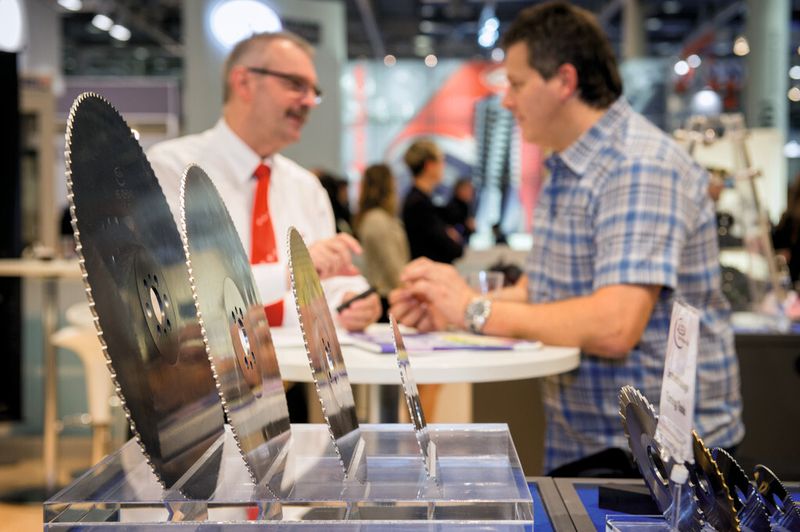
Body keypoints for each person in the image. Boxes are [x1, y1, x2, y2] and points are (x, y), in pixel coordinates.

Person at [390, 1, 743, 475]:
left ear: (564, 81)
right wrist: (450, 306)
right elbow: (548, 288)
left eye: (516, 84)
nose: (507, 100)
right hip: (590, 444)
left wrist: (473, 311)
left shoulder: (638, 164)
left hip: (661, 463)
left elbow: (616, 325)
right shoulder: (568, 165)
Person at [147, 31, 381, 334]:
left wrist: (353, 300)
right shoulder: (171, 169)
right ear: (244, 83)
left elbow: (329, 283)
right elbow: (173, 290)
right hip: (204, 374)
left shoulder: (306, 188)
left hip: (299, 375)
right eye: (295, 84)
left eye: (313, 90)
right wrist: (288, 274)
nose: (310, 101)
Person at [353, 163, 410, 320]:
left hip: (388, 293)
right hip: (386, 296)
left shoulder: (379, 218)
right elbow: (391, 264)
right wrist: (408, 292)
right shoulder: (377, 220)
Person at [401, 139, 463, 264]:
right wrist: (451, 237)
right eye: (441, 161)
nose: (443, 166)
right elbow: (451, 249)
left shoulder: (420, 201)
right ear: (429, 165)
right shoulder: (419, 205)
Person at [442, 177, 476, 244]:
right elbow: (453, 230)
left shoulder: (467, 207)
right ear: (458, 190)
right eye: (467, 190)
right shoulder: (452, 207)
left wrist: (471, 228)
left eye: (471, 190)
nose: (470, 193)